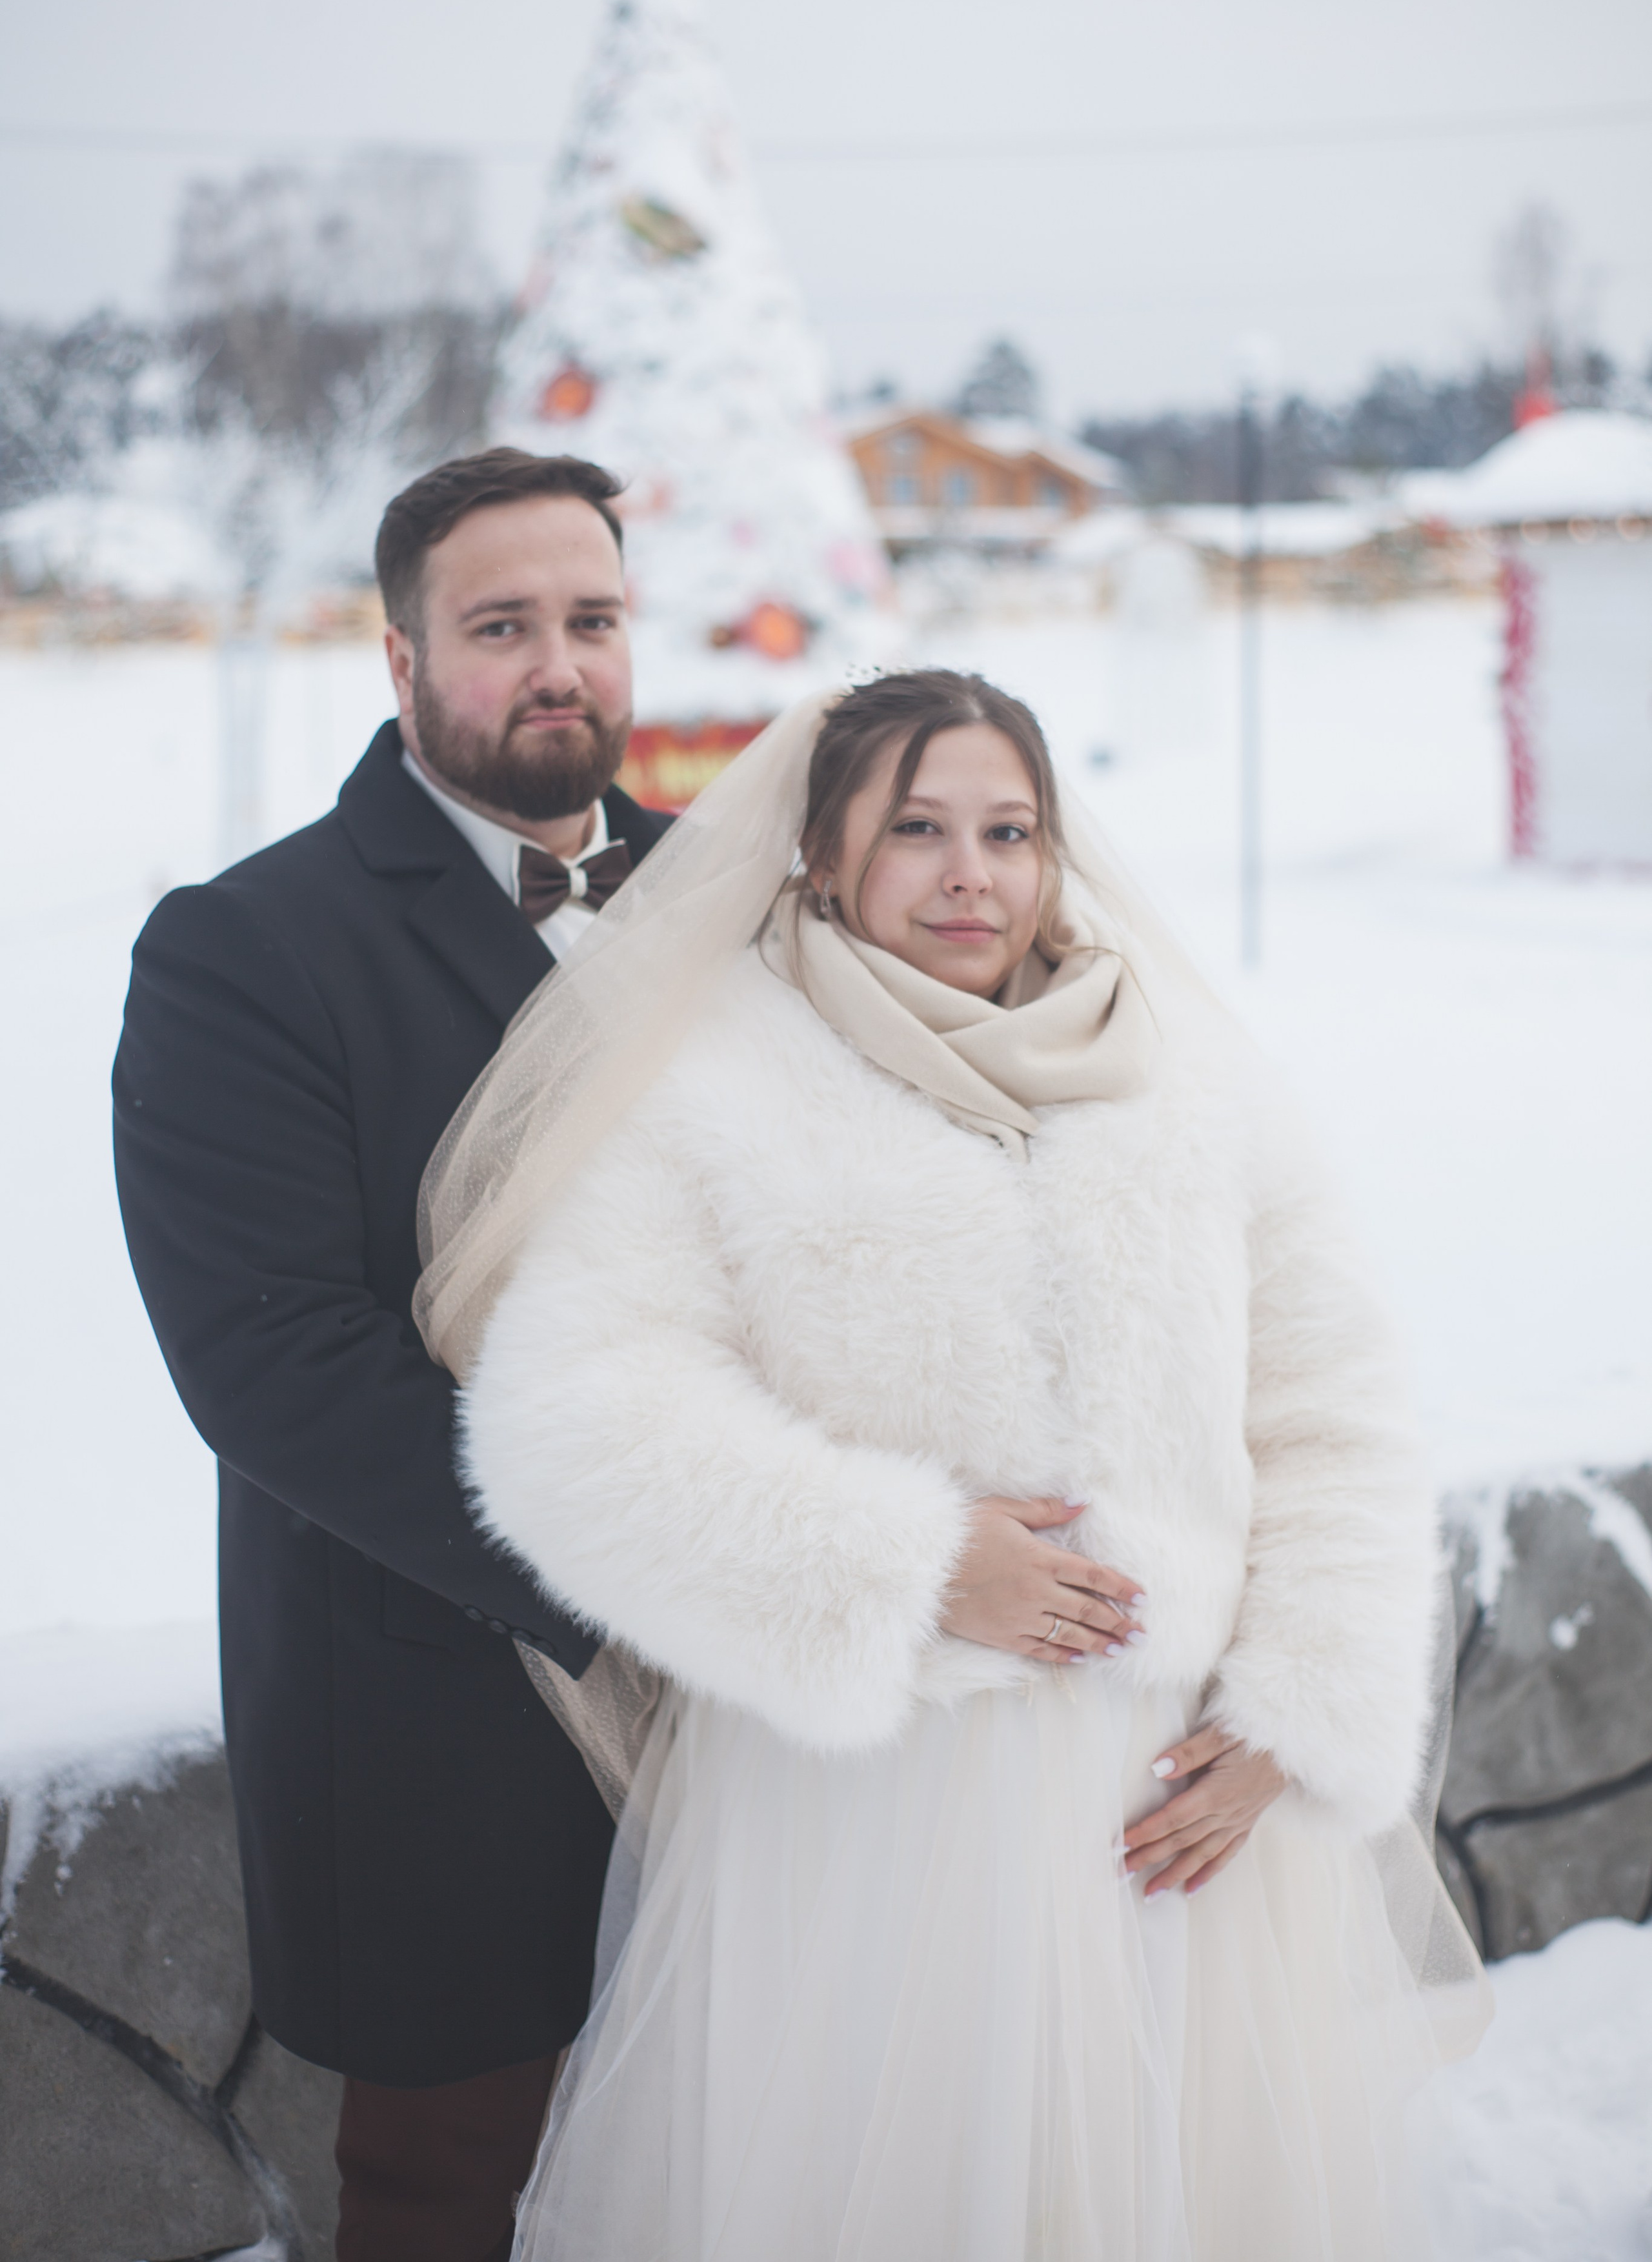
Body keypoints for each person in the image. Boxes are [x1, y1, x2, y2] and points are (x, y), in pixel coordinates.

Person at [421, 669, 1489, 2262]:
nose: (969, 872)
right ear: (821, 857)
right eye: (914, 829)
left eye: (1009, 829)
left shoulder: (1188, 1080)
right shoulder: (717, 1083)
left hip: (1177, 1808)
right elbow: (573, 1418)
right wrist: (909, 1567)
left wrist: (1295, 1710)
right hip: (876, 1814)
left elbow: (1330, 1413)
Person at [112, 449, 673, 2262]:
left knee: (737, 2150)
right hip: (439, 1696)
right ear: (403, 660)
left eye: (590, 620)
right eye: (500, 627)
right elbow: (271, 1362)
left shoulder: (744, 906)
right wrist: (652, 1564)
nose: (557, 665)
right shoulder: (245, 950)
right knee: (451, 2200)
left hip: (767, 1696)